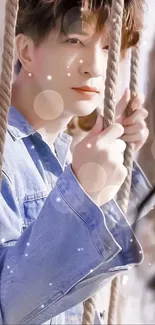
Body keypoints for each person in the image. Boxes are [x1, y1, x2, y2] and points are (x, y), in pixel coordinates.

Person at [0, 0, 153, 324]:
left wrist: (115, 168)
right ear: (26, 52)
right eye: (75, 41)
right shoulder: (6, 155)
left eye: (110, 46)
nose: (96, 67)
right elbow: (8, 309)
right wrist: (83, 191)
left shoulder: (62, 156)